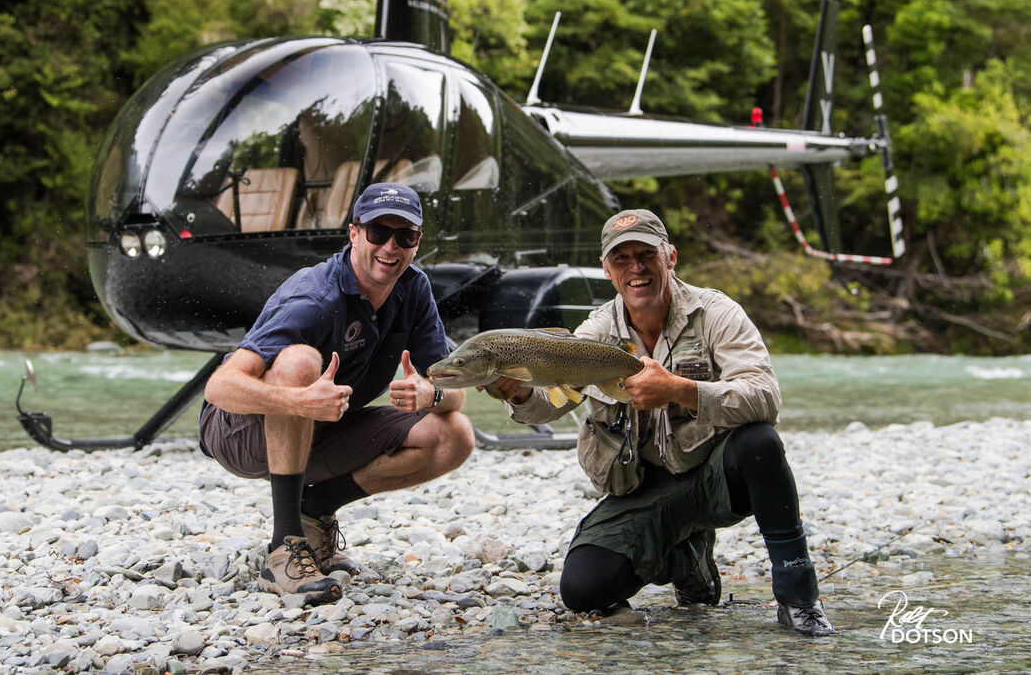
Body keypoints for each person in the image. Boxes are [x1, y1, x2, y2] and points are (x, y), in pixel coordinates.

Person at [486, 208, 836, 636]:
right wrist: (519, 393)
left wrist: (679, 390)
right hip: (643, 489)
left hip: (714, 476)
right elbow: (552, 403)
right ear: (607, 270)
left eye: (646, 255)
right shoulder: (594, 334)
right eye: (621, 259)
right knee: (583, 589)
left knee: (760, 441)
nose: (635, 268)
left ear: (670, 257)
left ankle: (799, 599)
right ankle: (686, 559)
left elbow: (765, 397)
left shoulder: (716, 313)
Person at [199, 182, 475, 604]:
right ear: (354, 234)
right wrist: (299, 401)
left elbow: (455, 389)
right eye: (379, 232)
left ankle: (316, 509)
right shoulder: (314, 296)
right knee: (298, 363)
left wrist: (430, 394)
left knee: (454, 434)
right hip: (239, 433)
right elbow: (219, 386)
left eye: (405, 236)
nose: (391, 247)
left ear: (417, 242)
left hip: (323, 425)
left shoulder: (413, 288)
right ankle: (284, 547)